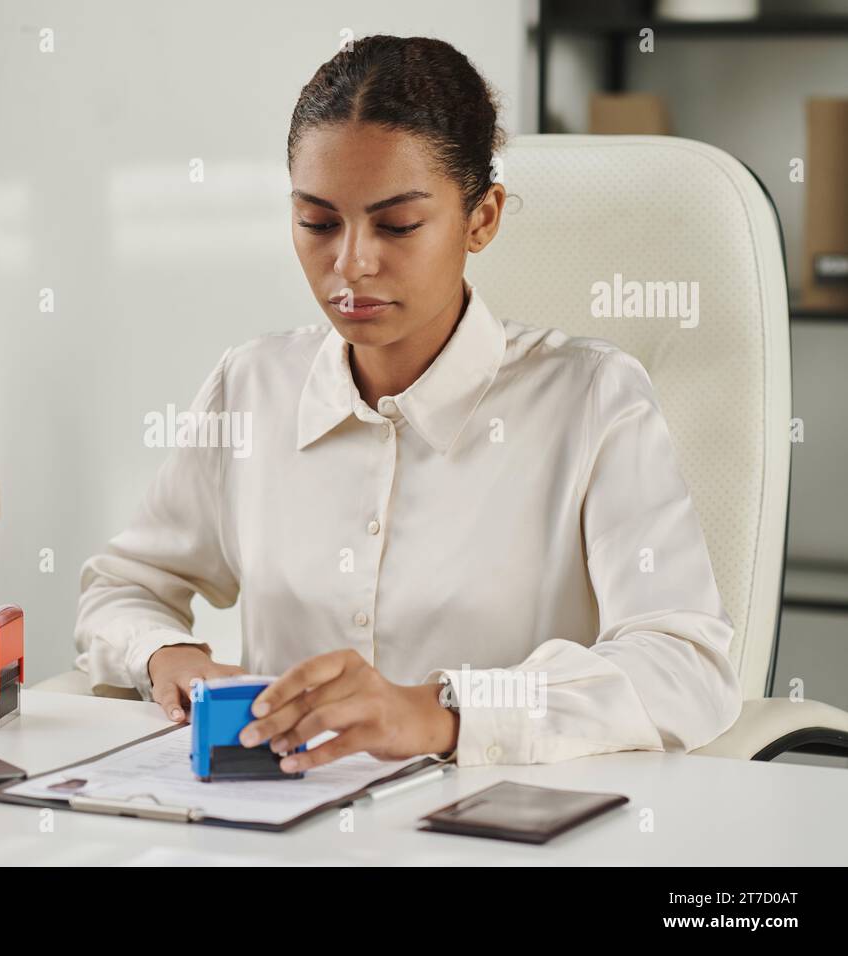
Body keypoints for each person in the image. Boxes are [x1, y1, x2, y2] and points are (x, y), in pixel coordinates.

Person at [73, 34, 742, 770]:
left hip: (507, 832)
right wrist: (164, 652)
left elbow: (686, 670)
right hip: (280, 824)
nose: (352, 263)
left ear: (481, 219)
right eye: (318, 223)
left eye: (397, 225)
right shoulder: (253, 385)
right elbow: (122, 588)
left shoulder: (591, 399)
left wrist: (442, 714)